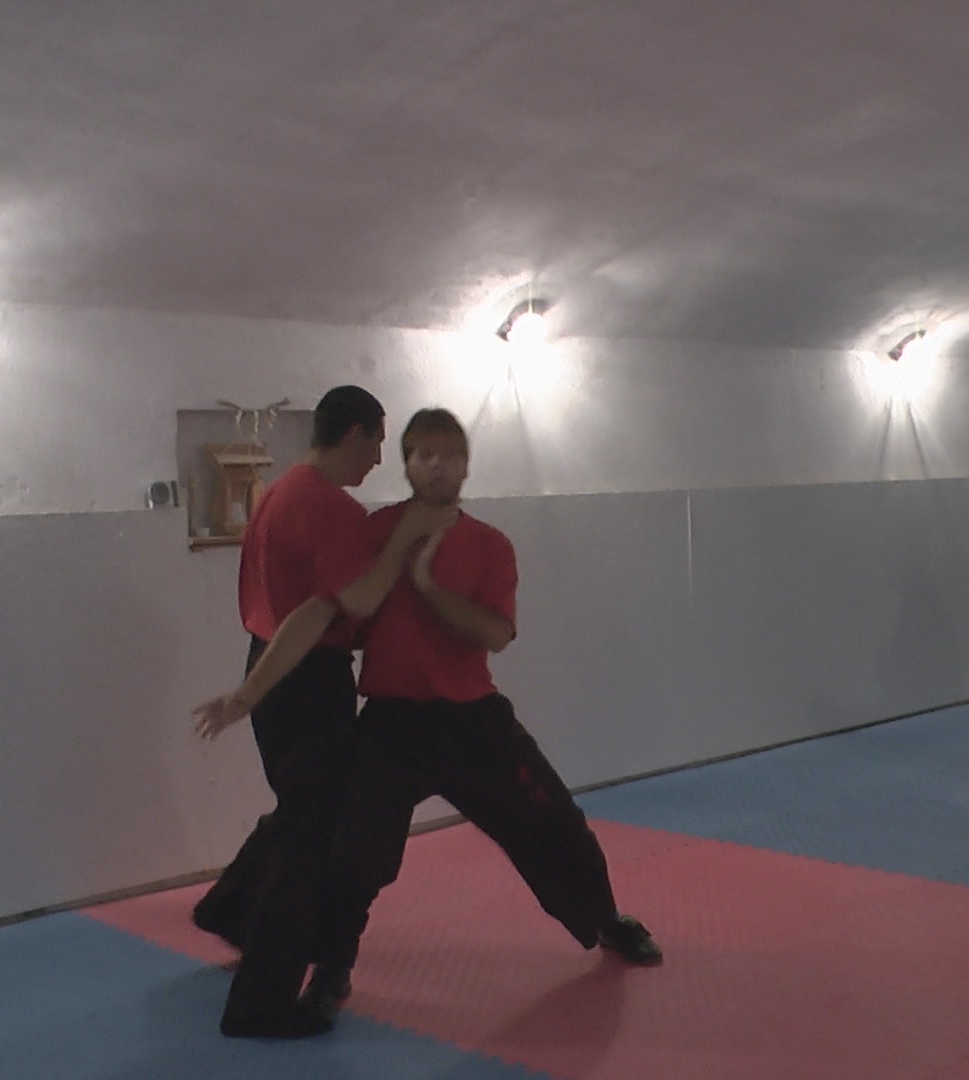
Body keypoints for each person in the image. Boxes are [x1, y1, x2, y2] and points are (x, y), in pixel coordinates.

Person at [195, 408, 661, 1035]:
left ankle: (605, 919)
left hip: (473, 719)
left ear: (466, 467)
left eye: (450, 455)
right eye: (423, 454)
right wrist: (248, 693)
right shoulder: (375, 531)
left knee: (551, 818)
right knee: (351, 850)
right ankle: (332, 966)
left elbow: (495, 633)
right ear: (407, 464)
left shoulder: (490, 544)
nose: (437, 466)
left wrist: (427, 586)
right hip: (391, 722)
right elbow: (325, 608)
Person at [191, 385, 457, 1038]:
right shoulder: (328, 505)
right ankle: (260, 1003)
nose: (379, 459)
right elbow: (351, 602)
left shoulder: (279, 491)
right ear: (355, 434)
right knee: (308, 843)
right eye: (378, 443)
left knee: (302, 814)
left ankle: (230, 910)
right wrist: (405, 542)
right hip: (306, 678)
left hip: (273, 666)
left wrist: (248, 693)